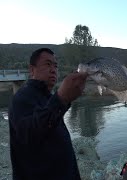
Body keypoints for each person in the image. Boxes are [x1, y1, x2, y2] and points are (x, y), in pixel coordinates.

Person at [9, 48, 88, 179]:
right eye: (47, 64)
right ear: (32, 69)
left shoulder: (47, 97)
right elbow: (29, 133)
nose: (53, 69)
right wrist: (61, 98)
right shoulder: (21, 98)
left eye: (55, 66)